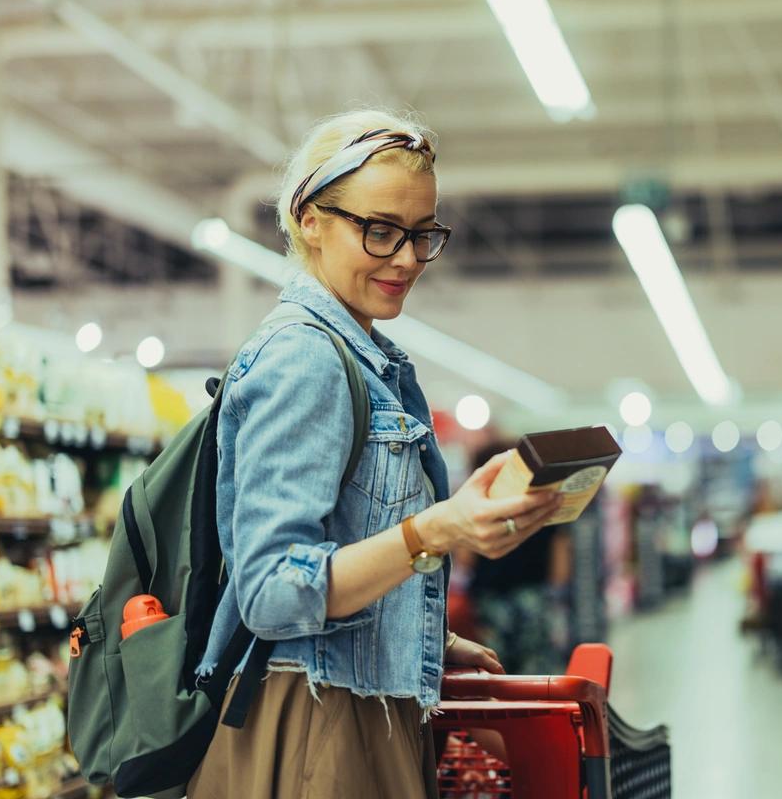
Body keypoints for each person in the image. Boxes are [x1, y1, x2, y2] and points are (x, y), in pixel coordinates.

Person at [186, 109, 564, 799]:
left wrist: (430, 640)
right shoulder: (306, 358)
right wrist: (434, 530)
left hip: (352, 711)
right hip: (313, 730)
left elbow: (343, 550)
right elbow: (271, 591)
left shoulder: (369, 364)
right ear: (310, 218)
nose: (408, 258)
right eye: (381, 230)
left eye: (423, 234)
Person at [465, 441, 572, 675]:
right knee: (536, 668)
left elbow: (466, 559)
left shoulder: (478, 508)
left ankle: (500, 710)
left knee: (493, 664)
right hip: (533, 594)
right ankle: (534, 711)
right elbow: (560, 569)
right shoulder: (544, 504)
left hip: (490, 596)